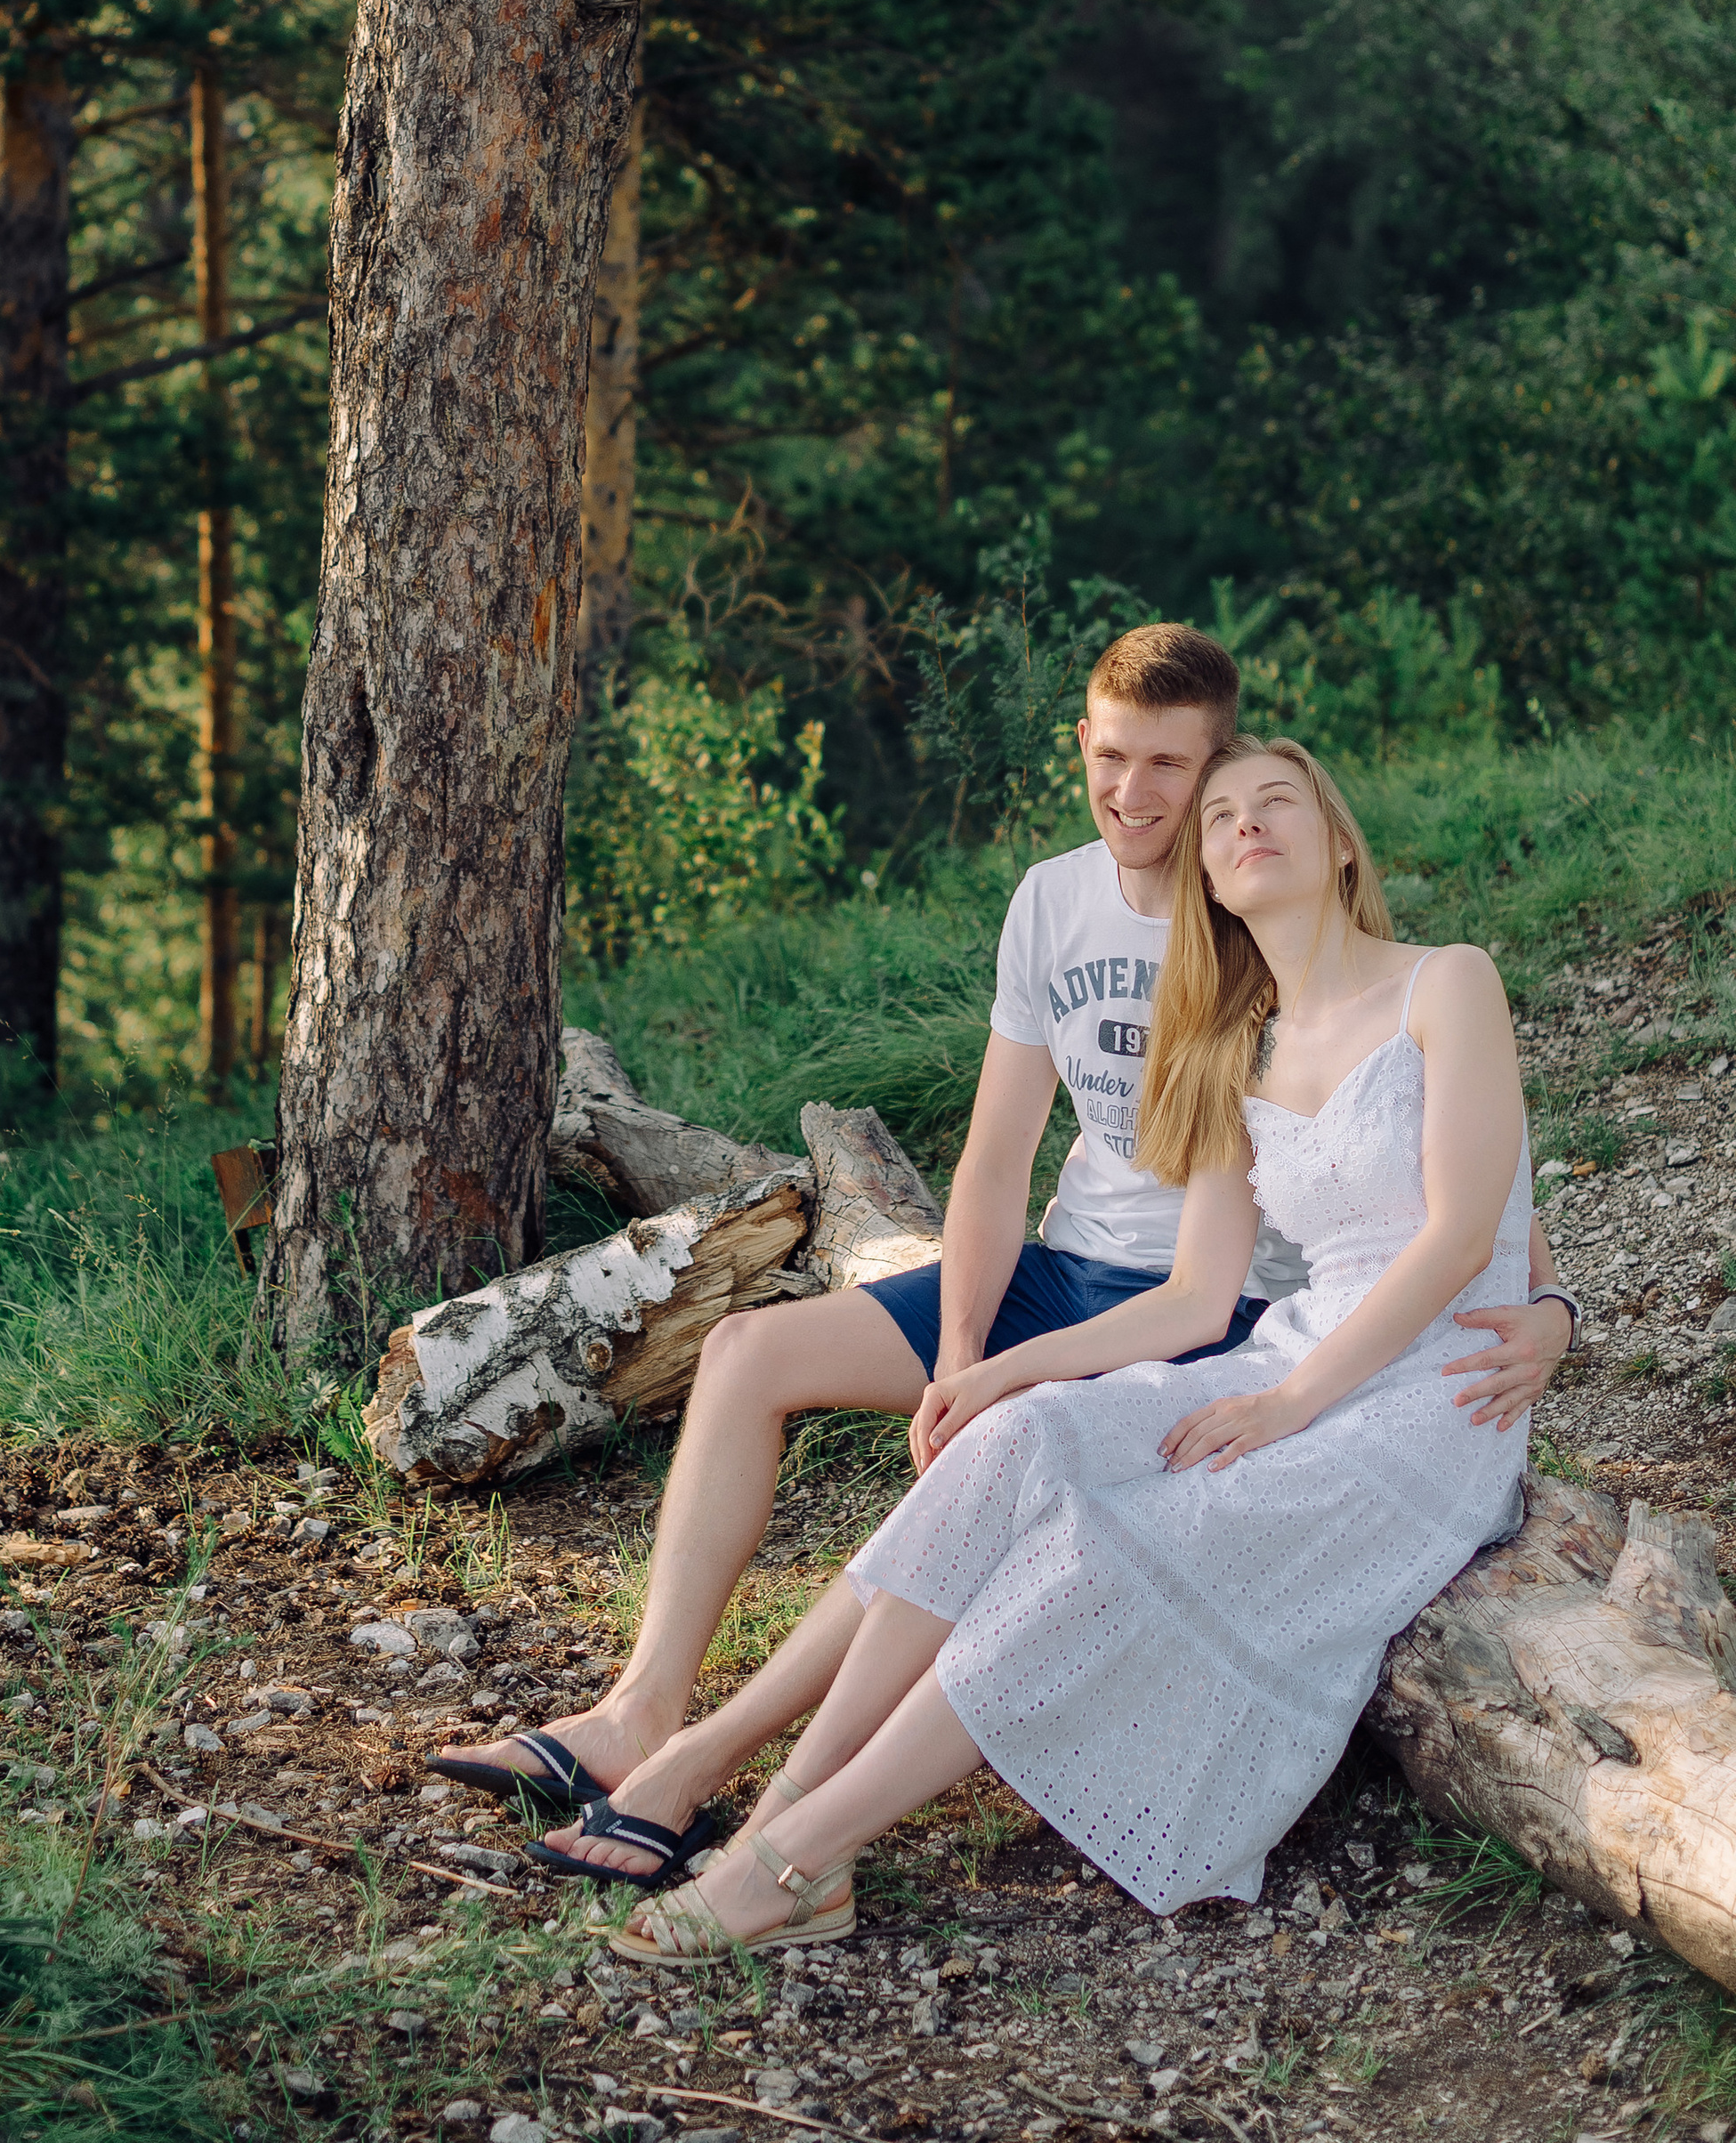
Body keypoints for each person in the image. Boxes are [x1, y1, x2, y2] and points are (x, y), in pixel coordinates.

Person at [438, 629, 1574, 1885]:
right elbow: (993, 1158)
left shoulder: (1292, 953)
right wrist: (971, 1348)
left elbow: (1437, 1188)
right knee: (754, 1348)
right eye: (1115, 758)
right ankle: (642, 1717)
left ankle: (772, 1816)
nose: (1141, 794)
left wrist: (1551, 1306)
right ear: (1082, 748)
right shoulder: (1068, 909)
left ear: (1233, 783)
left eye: (1178, 772)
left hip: (1229, 1319)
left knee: (1019, 1467)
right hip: (1069, 1267)